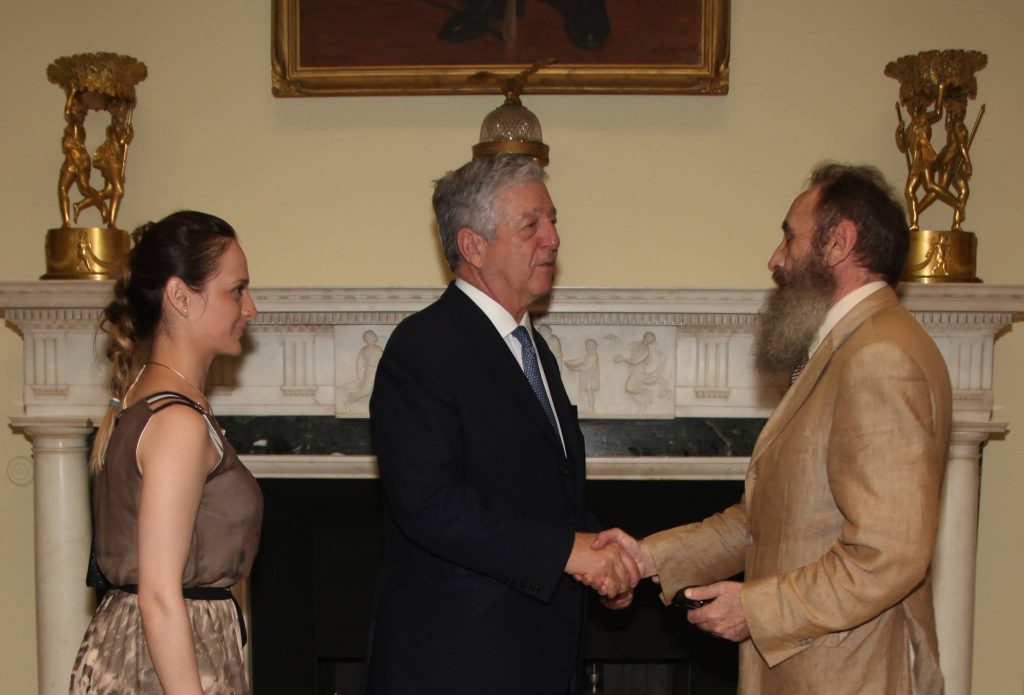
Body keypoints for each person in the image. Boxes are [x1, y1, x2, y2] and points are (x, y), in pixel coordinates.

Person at [597, 163, 952, 694]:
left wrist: (755, 609)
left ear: (839, 242)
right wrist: (647, 557)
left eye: (790, 237)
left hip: (848, 677)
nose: (775, 259)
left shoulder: (879, 356)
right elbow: (766, 521)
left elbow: (888, 554)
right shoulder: (849, 347)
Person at [366, 154, 640, 695]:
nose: (553, 239)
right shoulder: (422, 348)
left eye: (553, 220)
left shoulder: (533, 349)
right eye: (530, 224)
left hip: (536, 658)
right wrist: (569, 553)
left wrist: (602, 558)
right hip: (457, 667)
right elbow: (429, 503)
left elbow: (541, 493)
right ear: (473, 246)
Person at [69, 211, 262, 695]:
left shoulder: (148, 400)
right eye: (236, 290)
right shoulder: (177, 422)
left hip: (155, 652)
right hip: (168, 662)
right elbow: (158, 596)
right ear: (180, 296)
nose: (250, 308)